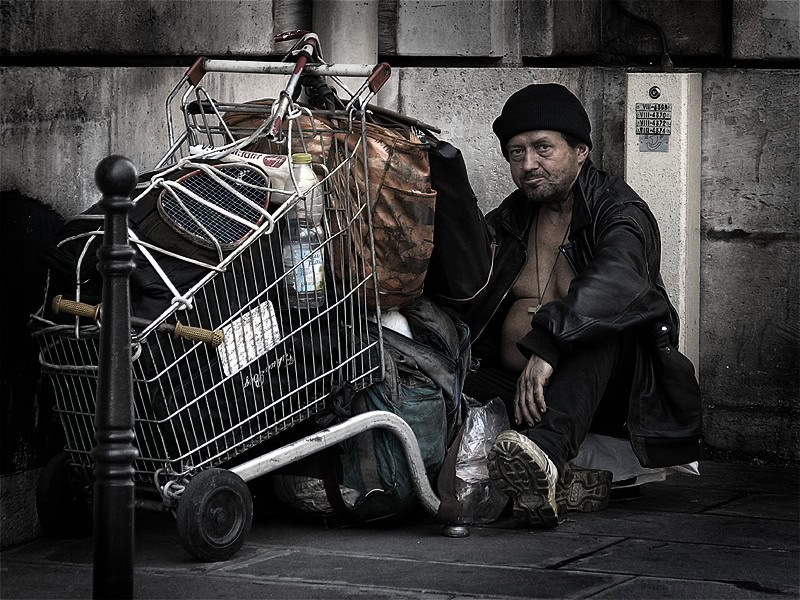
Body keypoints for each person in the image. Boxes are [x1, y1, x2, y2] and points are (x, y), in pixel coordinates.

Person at [460, 83, 703, 527]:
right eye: (516, 153)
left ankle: (546, 461)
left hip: (610, 399)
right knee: (446, 369)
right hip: (521, 392)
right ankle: (518, 468)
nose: (528, 164)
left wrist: (548, 345)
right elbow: (466, 297)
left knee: (610, 324)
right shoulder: (508, 221)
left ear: (580, 151)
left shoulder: (621, 211)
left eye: (542, 148)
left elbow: (617, 282)